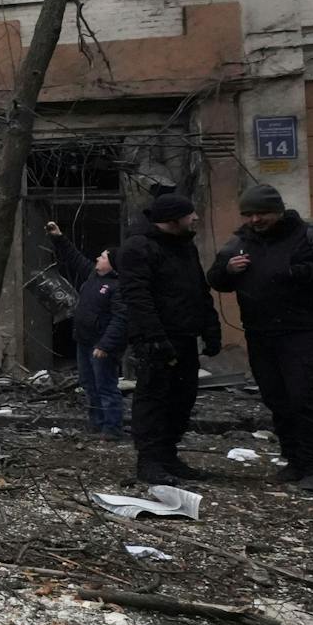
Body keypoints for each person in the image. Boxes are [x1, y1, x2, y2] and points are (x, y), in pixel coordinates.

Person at [208, 183, 313, 493]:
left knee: (305, 397)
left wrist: (304, 272)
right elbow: (215, 279)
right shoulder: (240, 242)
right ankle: (295, 461)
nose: (255, 220)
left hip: (306, 332)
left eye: (263, 213)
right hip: (261, 333)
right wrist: (227, 270)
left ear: (279, 211)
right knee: (276, 398)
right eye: (249, 214)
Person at [114, 193, 221, 484]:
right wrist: (154, 337)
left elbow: (199, 290)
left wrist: (211, 329)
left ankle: (168, 456)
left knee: (182, 399)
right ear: (174, 220)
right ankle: (149, 461)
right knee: (154, 399)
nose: (195, 218)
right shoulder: (138, 248)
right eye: (190, 214)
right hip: (155, 341)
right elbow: (138, 297)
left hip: (184, 337)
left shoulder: (185, 247)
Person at [45, 221, 127, 436]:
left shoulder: (118, 287)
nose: (97, 258)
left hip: (101, 345)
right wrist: (58, 237)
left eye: (102, 257)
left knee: (106, 387)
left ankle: (112, 428)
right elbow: (74, 258)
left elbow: (120, 320)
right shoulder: (93, 276)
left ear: (113, 264)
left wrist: (105, 345)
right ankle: (96, 423)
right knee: (89, 385)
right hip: (84, 341)